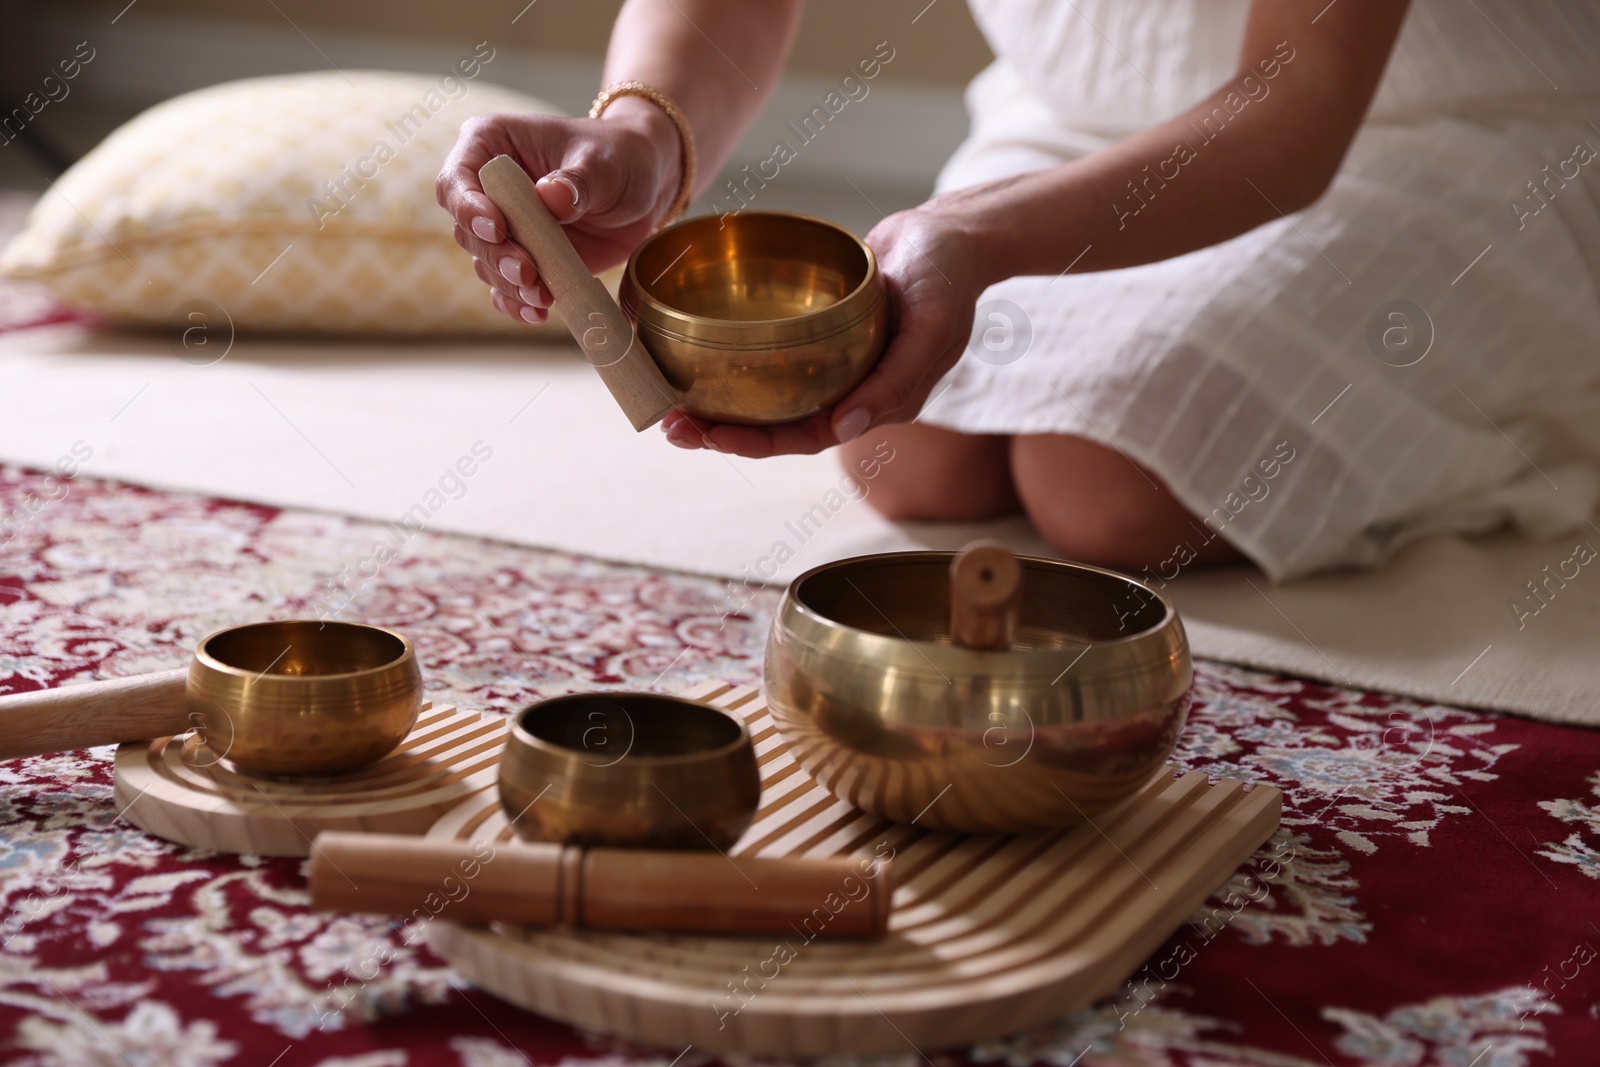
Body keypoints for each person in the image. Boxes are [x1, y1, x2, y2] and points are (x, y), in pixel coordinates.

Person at [438, 0, 1600, 580]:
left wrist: (976, 237)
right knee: (911, 454)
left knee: (1111, 483)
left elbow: (1290, 111)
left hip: (1434, 123)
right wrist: (644, 132)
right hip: (1079, 112)